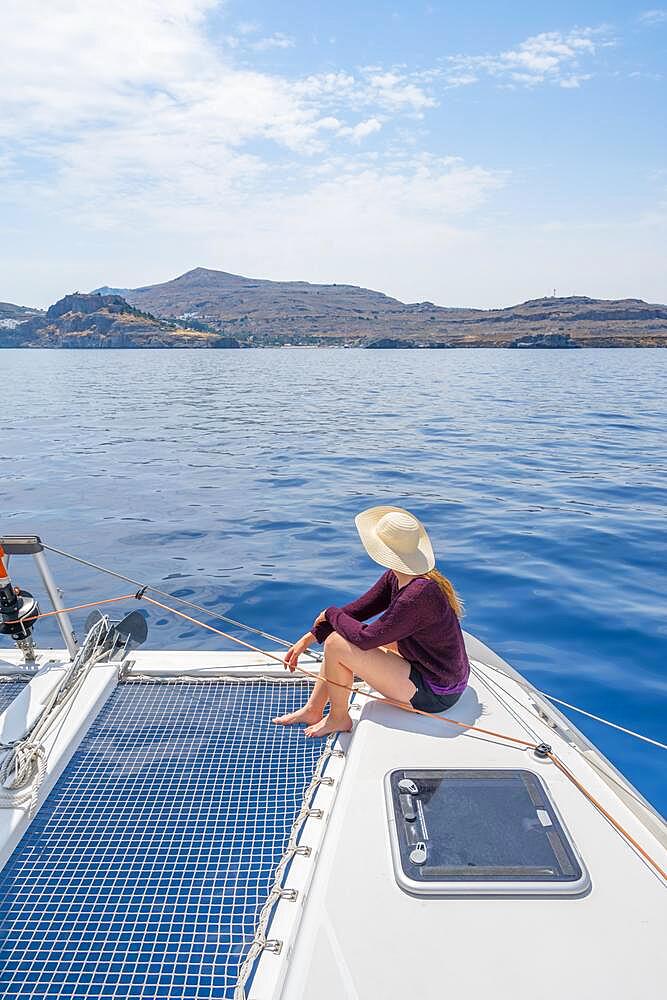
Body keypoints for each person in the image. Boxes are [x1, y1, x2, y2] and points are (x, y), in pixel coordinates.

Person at [273, 505, 470, 738]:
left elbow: (367, 639)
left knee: (337, 644)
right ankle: (313, 710)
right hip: (433, 671)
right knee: (340, 635)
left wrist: (330, 613)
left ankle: (339, 718)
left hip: (438, 693)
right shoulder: (400, 578)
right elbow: (358, 610)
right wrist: (312, 635)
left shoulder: (417, 596)